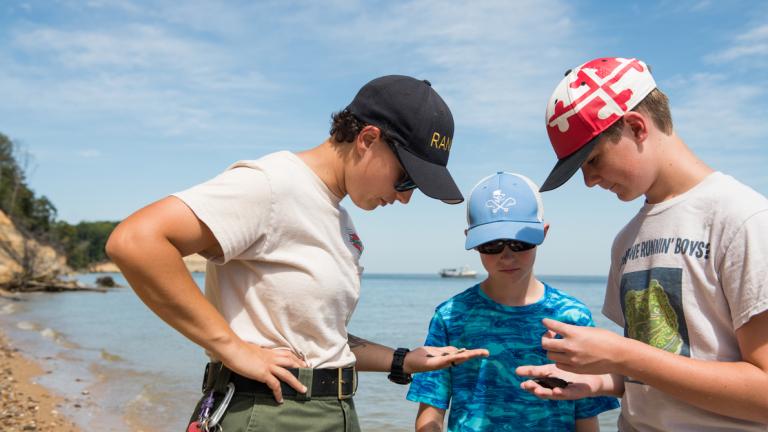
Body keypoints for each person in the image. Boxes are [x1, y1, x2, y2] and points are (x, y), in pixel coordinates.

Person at [105, 75, 489, 432]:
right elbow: (137, 241)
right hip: (270, 411)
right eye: (406, 179)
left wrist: (401, 360)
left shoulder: (341, 223)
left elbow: (316, 340)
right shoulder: (272, 185)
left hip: (333, 411)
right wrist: (230, 347)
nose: (404, 198)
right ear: (368, 139)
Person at [516, 57, 768, 431]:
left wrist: (623, 354)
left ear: (636, 127)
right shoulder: (626, 240)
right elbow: (655, 373)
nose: (589, 181)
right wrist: (599, 381)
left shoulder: (743, 219)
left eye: (593, 160)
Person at [407, 171, 619, 431]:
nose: (507, 257)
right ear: (471, 239)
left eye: (519, 243)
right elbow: (431, 409)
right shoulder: (450, 316)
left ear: (543, 233)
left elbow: (586, 415)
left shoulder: (572, 317)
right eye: (492, 245)